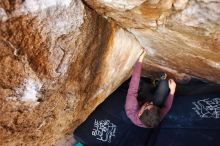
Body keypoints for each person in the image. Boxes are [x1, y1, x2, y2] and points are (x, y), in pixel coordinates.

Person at [125, 51, 176, 128]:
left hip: (139, 99)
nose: (151, 102)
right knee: (164, 85)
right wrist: (172, 91)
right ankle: (155, 83)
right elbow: (167, 107)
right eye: (151, 104)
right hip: (148, 106)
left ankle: (152, 83)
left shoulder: (131, 108)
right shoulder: (156, 117)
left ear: (140, 113)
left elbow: (133, 87)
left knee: (140, 83)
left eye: (148, 104)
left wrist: (140, 60)